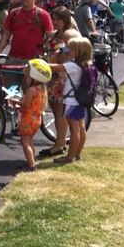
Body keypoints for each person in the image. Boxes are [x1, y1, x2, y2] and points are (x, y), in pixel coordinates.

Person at [38, 6, 80, 159]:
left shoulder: (70, 36)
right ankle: (59, 142)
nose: (55, 22)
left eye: (58, 19)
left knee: (60, 112)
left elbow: (71, 57)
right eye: (53, 19)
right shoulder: (55, 34)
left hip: (62, 77)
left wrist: (56, 57)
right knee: (56, 111)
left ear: (65, 20)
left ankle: (60, 143)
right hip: (51, 76)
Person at [0, 0, 55, 85]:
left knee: (30, 95)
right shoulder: (13, 13)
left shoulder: (43, 15)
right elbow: (6, 36)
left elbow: (50, 36)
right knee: (10, 94)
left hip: (33, 61)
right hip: (13, 59)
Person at [51, 36, 92, 165]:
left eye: (71, 49)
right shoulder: (86, 64)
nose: (68, 51)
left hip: (71, 102)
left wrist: (56, 54)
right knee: (81, 128)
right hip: (80, 100)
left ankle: (69, 157)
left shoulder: (72, 66)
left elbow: (52, 66)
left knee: (74, 130)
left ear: (79, 51)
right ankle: (77, 154)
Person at [17, 59, 51, 172]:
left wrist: (15, 101)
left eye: (27, 76)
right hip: (37, 119)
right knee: (30, 141)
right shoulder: (42, 88)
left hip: (28, 119)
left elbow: (26, 105)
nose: (25, 78)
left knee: (25, 143)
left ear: (33, 77)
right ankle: (31, 161)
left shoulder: (31, 90)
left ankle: (31, 166)